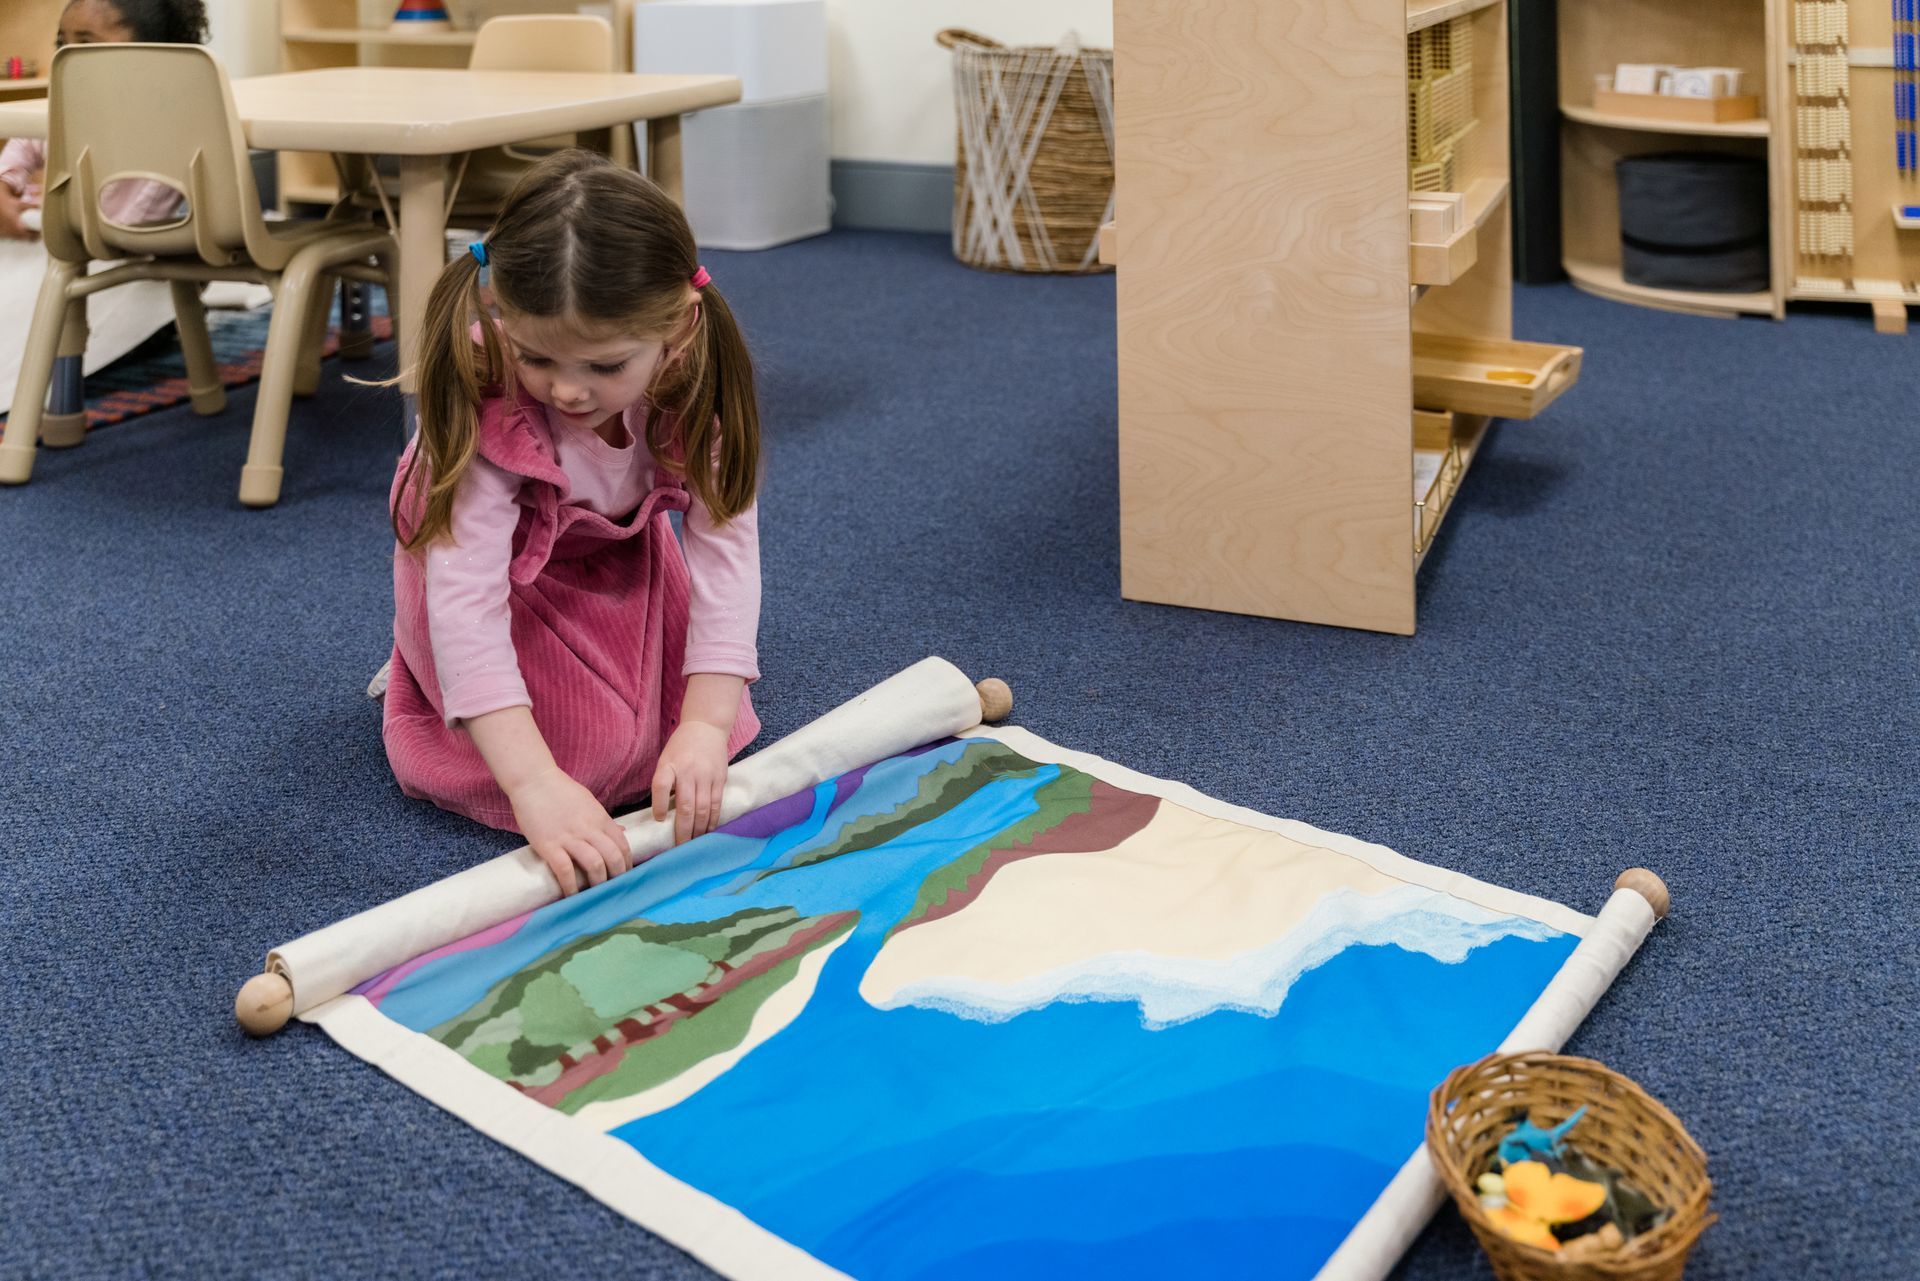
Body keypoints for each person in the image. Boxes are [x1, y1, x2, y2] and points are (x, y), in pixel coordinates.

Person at [385, 149, 763, 897]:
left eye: (605, 367)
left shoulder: (695, 385)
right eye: (538, 358)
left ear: (678, 331)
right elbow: (465, 604)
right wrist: (532, 785)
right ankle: (421, 672)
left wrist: (706, 726)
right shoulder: (487, 395)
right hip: (489, 569)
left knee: (684, 731)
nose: (567, 390)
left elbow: (727, 562)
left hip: (613, 555)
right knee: (577, 758)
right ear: (500, 311)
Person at [0, 0, 211, 412]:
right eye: (62, 42)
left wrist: (49, 214)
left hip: (127, 262)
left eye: (86, 42)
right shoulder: (67, 104)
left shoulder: (174, 119)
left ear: (152, 50)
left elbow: (132, 222)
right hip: (66, 240)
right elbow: (20, 150)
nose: (68, 56)